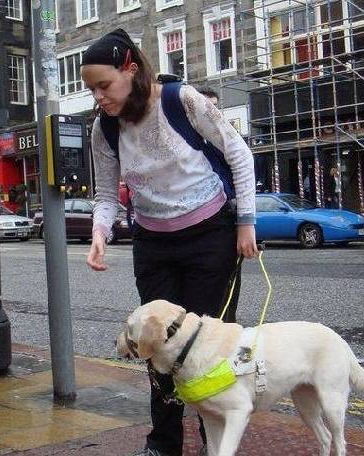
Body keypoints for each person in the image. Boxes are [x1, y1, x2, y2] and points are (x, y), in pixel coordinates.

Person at [81, 28, 257, 456]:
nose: (99, 97)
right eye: (91, 90)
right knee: (155, 344)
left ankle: (212, 439)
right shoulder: (104, 130)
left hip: (210, 236)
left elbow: (238, 153)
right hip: (154, 244)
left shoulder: (182, 101)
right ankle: (163, 444)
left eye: (104, 85)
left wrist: (246, 223)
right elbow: (106, 195)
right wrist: (99, 233)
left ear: (131, 68)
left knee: (209, 346)